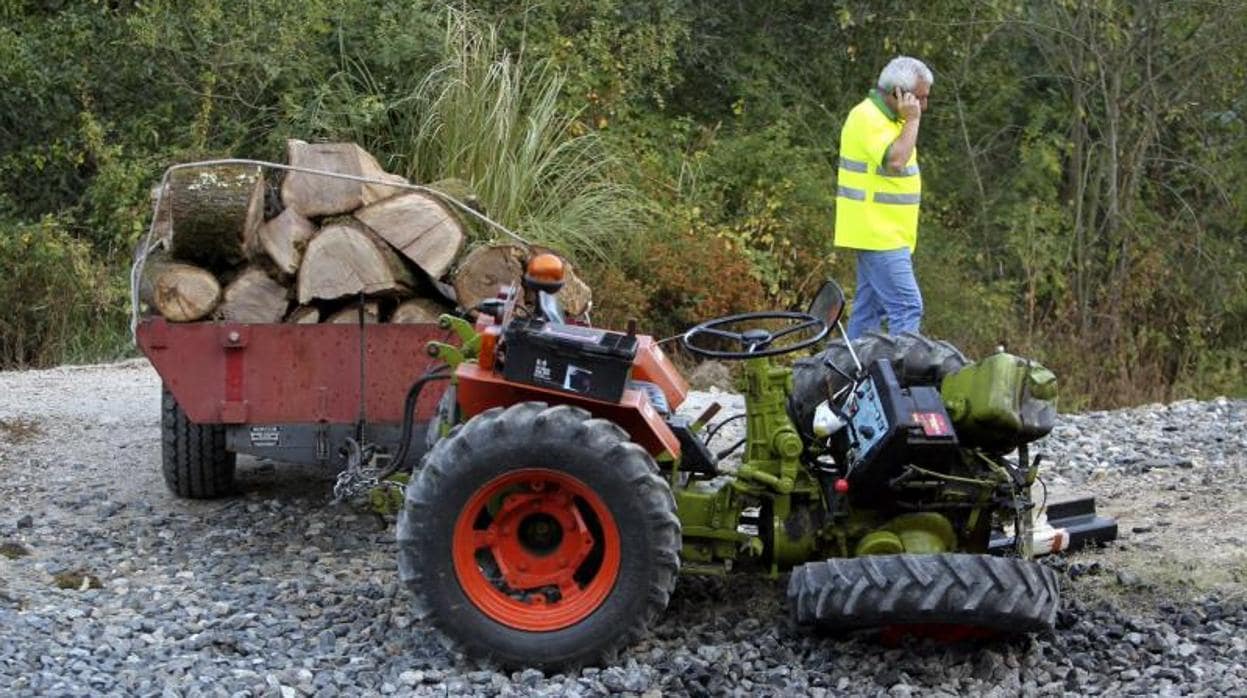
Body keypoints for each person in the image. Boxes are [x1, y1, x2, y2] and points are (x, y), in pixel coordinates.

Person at [834, 56, 932, 339]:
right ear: (898, 94)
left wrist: (908, 120)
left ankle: (852, 378)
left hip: (887, 235)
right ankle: (899, 379)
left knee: (867, 315)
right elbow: (896, 161)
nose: (923, 106)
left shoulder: (891, 121)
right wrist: (912, 119)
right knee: (907, 306)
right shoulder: (867, 118)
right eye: (920, 98)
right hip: (878, 236)